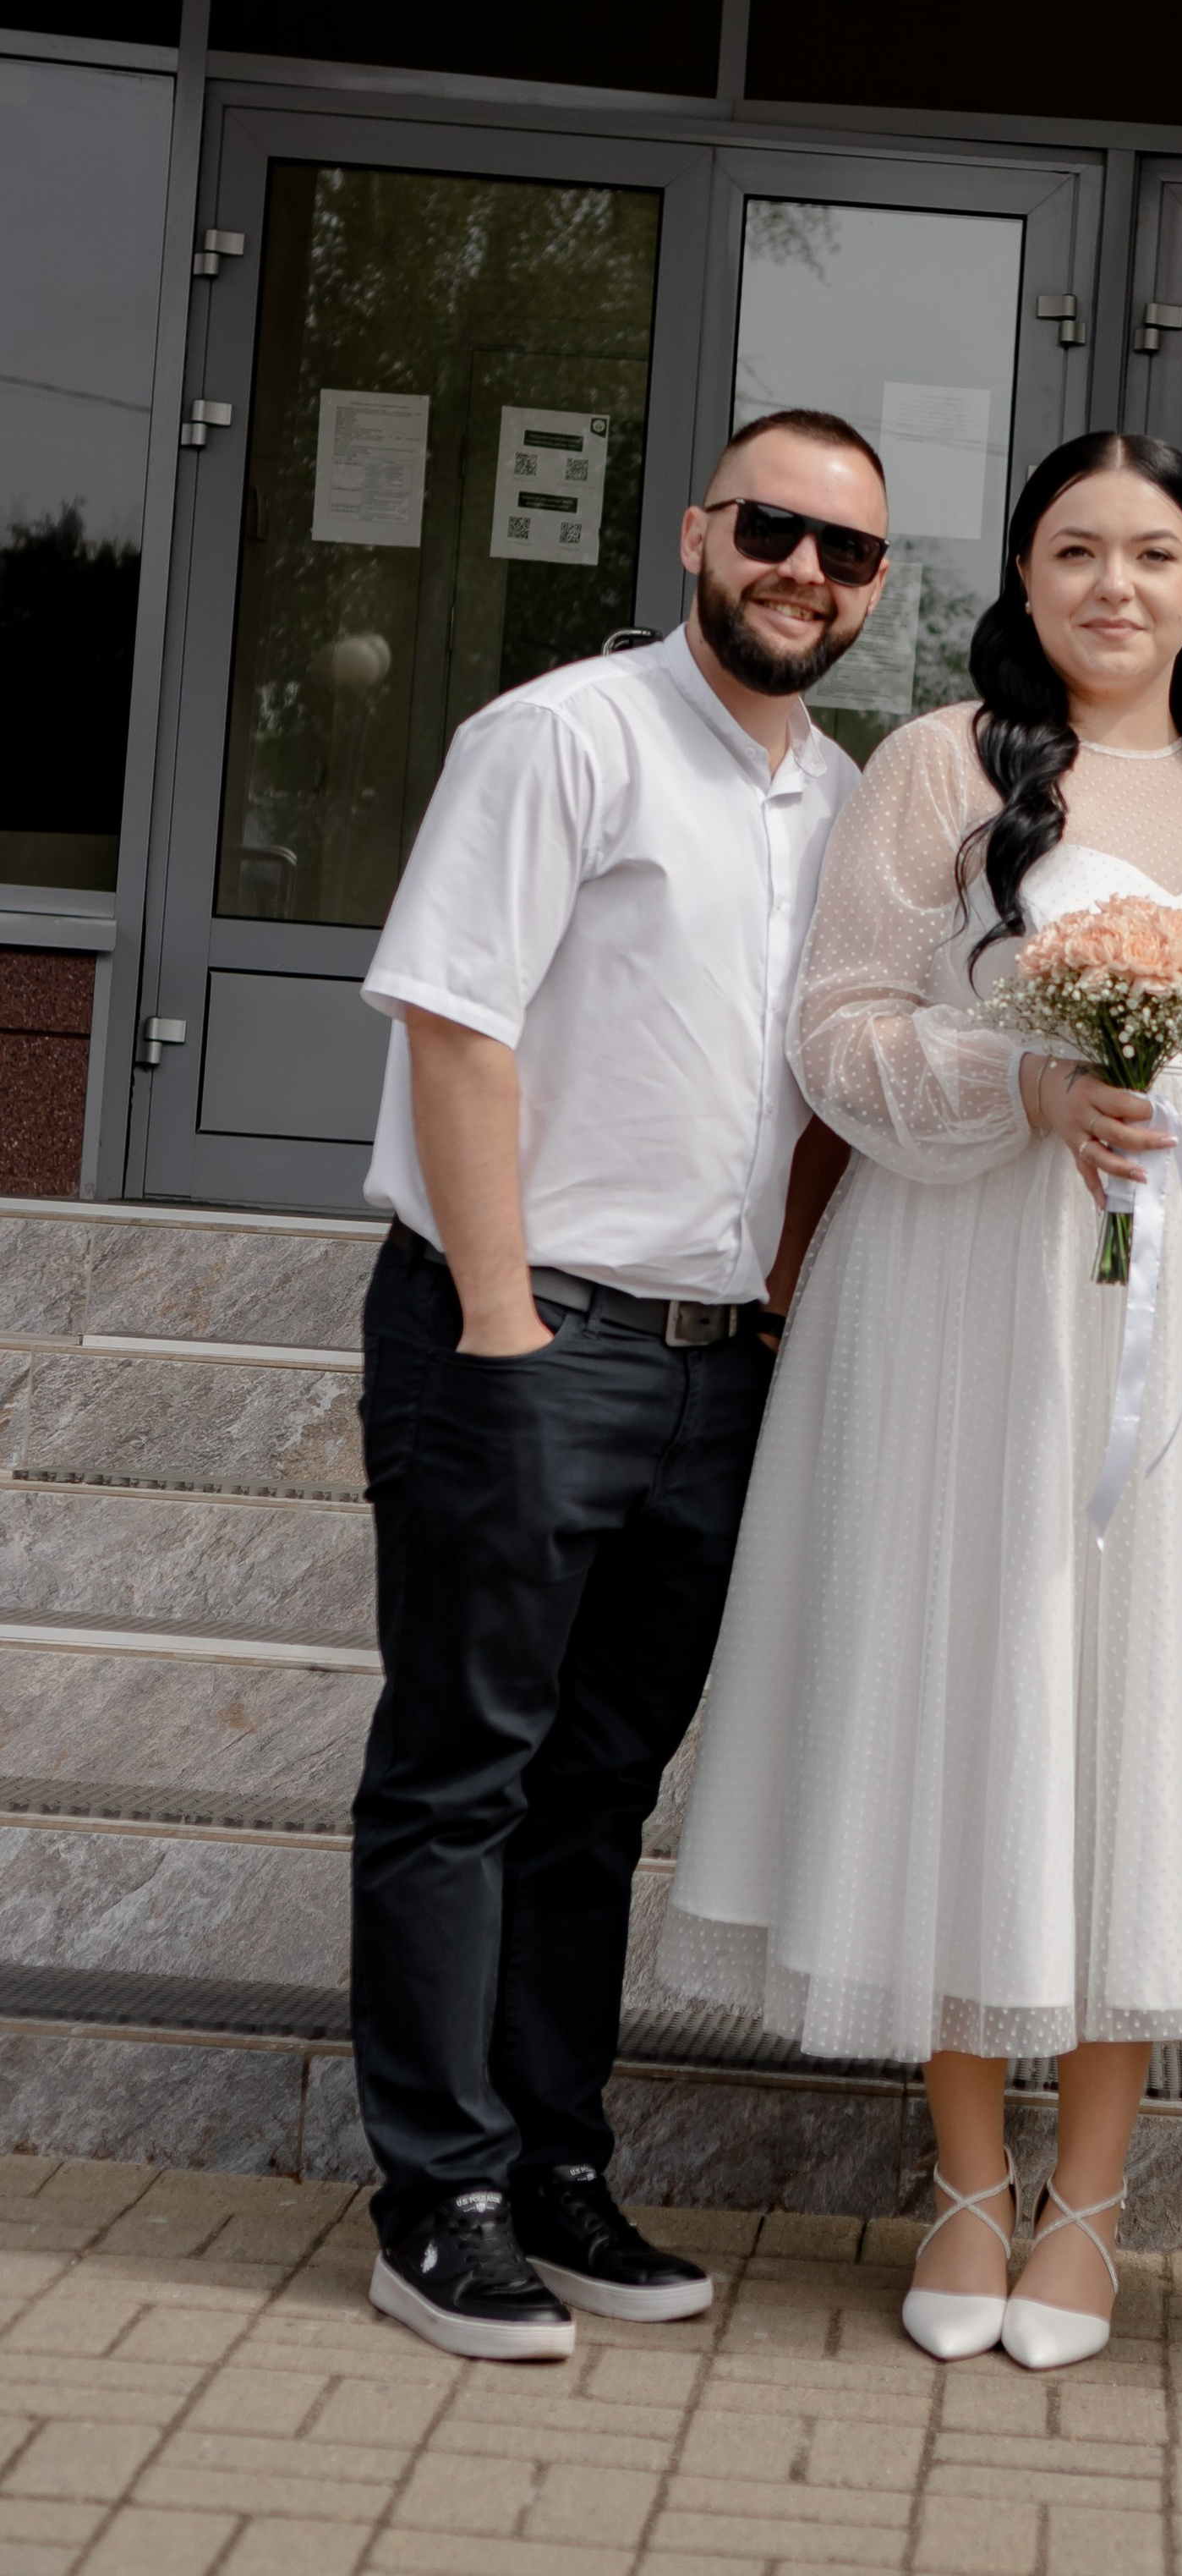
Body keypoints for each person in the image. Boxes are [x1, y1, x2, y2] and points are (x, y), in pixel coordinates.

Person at [660, 431, 1182, 2372]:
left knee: (1143, 1703)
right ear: (1019, 579)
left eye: (1151, 552)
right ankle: (963, 2182)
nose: (1112, 585)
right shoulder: (944, 762)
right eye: (1071, 551)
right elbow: (838, 1024)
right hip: (974, 1280)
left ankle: (1091, 2208)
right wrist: (1023, 1083)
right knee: (986, 1685)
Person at [349, 408, 889, 2361]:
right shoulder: (557, 736)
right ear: (694, 532)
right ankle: (440, 2197)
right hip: (525, 1330)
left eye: (843, 552)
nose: (800, 573)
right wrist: (497, 1325)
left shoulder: (842, 803)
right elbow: (456, 1024)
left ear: (876, 589)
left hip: (711, 1363)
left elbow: (825, 1094)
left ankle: (553, 2167)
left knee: (593, 1795)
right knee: (461, 1778)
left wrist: (782, 1311)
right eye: (771, 529)